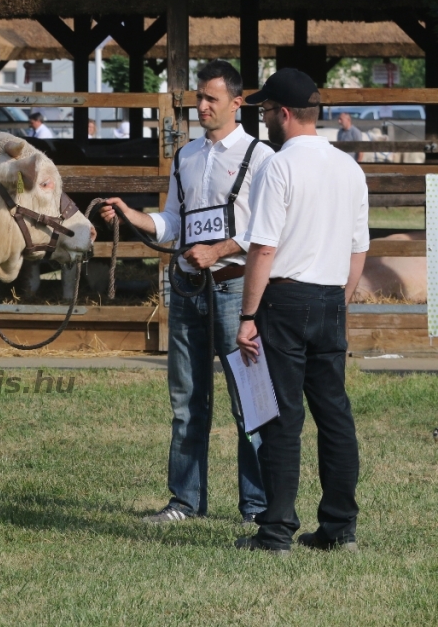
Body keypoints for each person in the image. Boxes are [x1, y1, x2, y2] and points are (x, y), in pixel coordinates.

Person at [99, 60, 273, 525]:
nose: (201, 106)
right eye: (199, 96)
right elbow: (172, 222)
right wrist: (133, 216)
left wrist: (219, 250)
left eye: (211, 98)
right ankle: (185, 501)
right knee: (186, 399)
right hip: (188, 289)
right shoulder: (188, 156)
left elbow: (268, 230)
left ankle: (256, 507)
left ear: (237, 103)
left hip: (237, 290)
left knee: (248, 402)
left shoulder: (261, 157)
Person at [235, 68, 368, 555]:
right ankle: (339, 527)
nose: (264, 119)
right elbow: (358, 250)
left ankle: (275, 531)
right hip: (332, 296)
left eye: (266, 111)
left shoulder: (279, 165)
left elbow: (263, 247)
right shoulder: (349, 167)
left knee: (281, 418)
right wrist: (341, 300)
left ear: (284, 114)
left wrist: (248, 315)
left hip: (285, 298)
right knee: (334, 414)